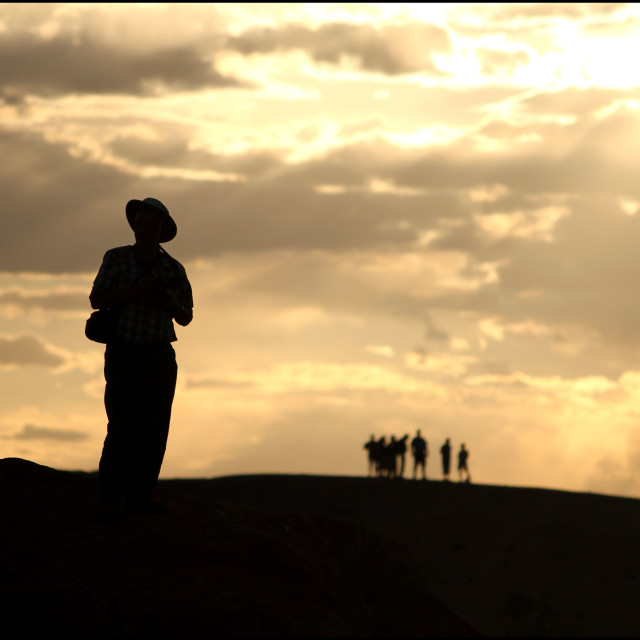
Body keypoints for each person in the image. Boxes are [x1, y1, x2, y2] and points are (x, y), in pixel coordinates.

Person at [90, 197, 193, 520]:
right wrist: (134, 292)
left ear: (161, 230)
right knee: (122, 426)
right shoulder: (117, 258)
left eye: (150, 224)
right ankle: (109, 496)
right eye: (140, 223)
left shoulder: (174, 269)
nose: (143, 229)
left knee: (154, 429)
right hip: (124, 351)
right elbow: (97, 299)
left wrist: (169, 302)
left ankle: (139, 497)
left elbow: (186, 316)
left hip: (159, 353)